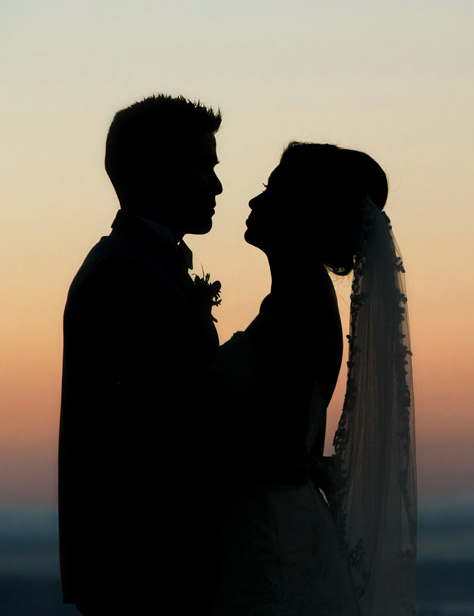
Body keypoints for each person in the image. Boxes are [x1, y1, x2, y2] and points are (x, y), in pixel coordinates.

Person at [59, 95, 293, 615]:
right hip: (145, 571)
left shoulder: (143, 265)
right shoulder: (121, 276)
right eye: (204, 166)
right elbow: (159, 429)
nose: (217, 185)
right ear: (157, 170)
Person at [212, 143, 417, 616]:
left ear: (303, 213)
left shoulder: (298, 306)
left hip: (268, 540)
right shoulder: (297, 297)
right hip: (276, 529)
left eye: (271, 190)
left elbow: (279, 452)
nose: (253, 202)